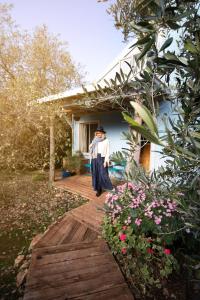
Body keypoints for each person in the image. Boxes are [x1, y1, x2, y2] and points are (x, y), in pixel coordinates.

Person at [89, 126, 113, 197]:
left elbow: (108, 151)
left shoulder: (106, 140)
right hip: (94, 158)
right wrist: (92, 144)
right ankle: (98, 189)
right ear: (96, 133)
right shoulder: (95, 140)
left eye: (100, 133)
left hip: (102, 158)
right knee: (96, 174)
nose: (99, 134)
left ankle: (110, 188)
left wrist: (106, 161)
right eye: (97, 133)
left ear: (103, 133)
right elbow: (90, 147)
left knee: (103, 174)